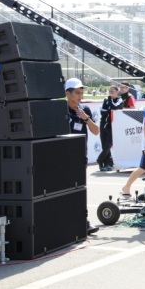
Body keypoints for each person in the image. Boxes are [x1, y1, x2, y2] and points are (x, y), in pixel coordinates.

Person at [65, 77, 100, 235]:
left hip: (80, 158)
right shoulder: (59, 109)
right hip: (62, 159)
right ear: (68, 93)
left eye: (81, 92)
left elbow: (96, 131)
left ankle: (83, 222)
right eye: (77, 93)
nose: (80, 96)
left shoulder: (84, 109)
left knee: (80, 190)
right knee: (63, 192)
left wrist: (85, 118)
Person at [96, 85, 124, 172]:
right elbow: (102, 112)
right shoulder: (105, 100)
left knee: (109, 145)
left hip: (112, 125)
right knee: (104, 144)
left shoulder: (119, 100)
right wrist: (109, 109)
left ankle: (100, 160)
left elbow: (114, 107)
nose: (111, 93)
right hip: (103, 123)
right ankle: (105, 164)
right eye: (110, 91)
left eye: (113, 91)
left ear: (117, 92)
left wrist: (110, 101)